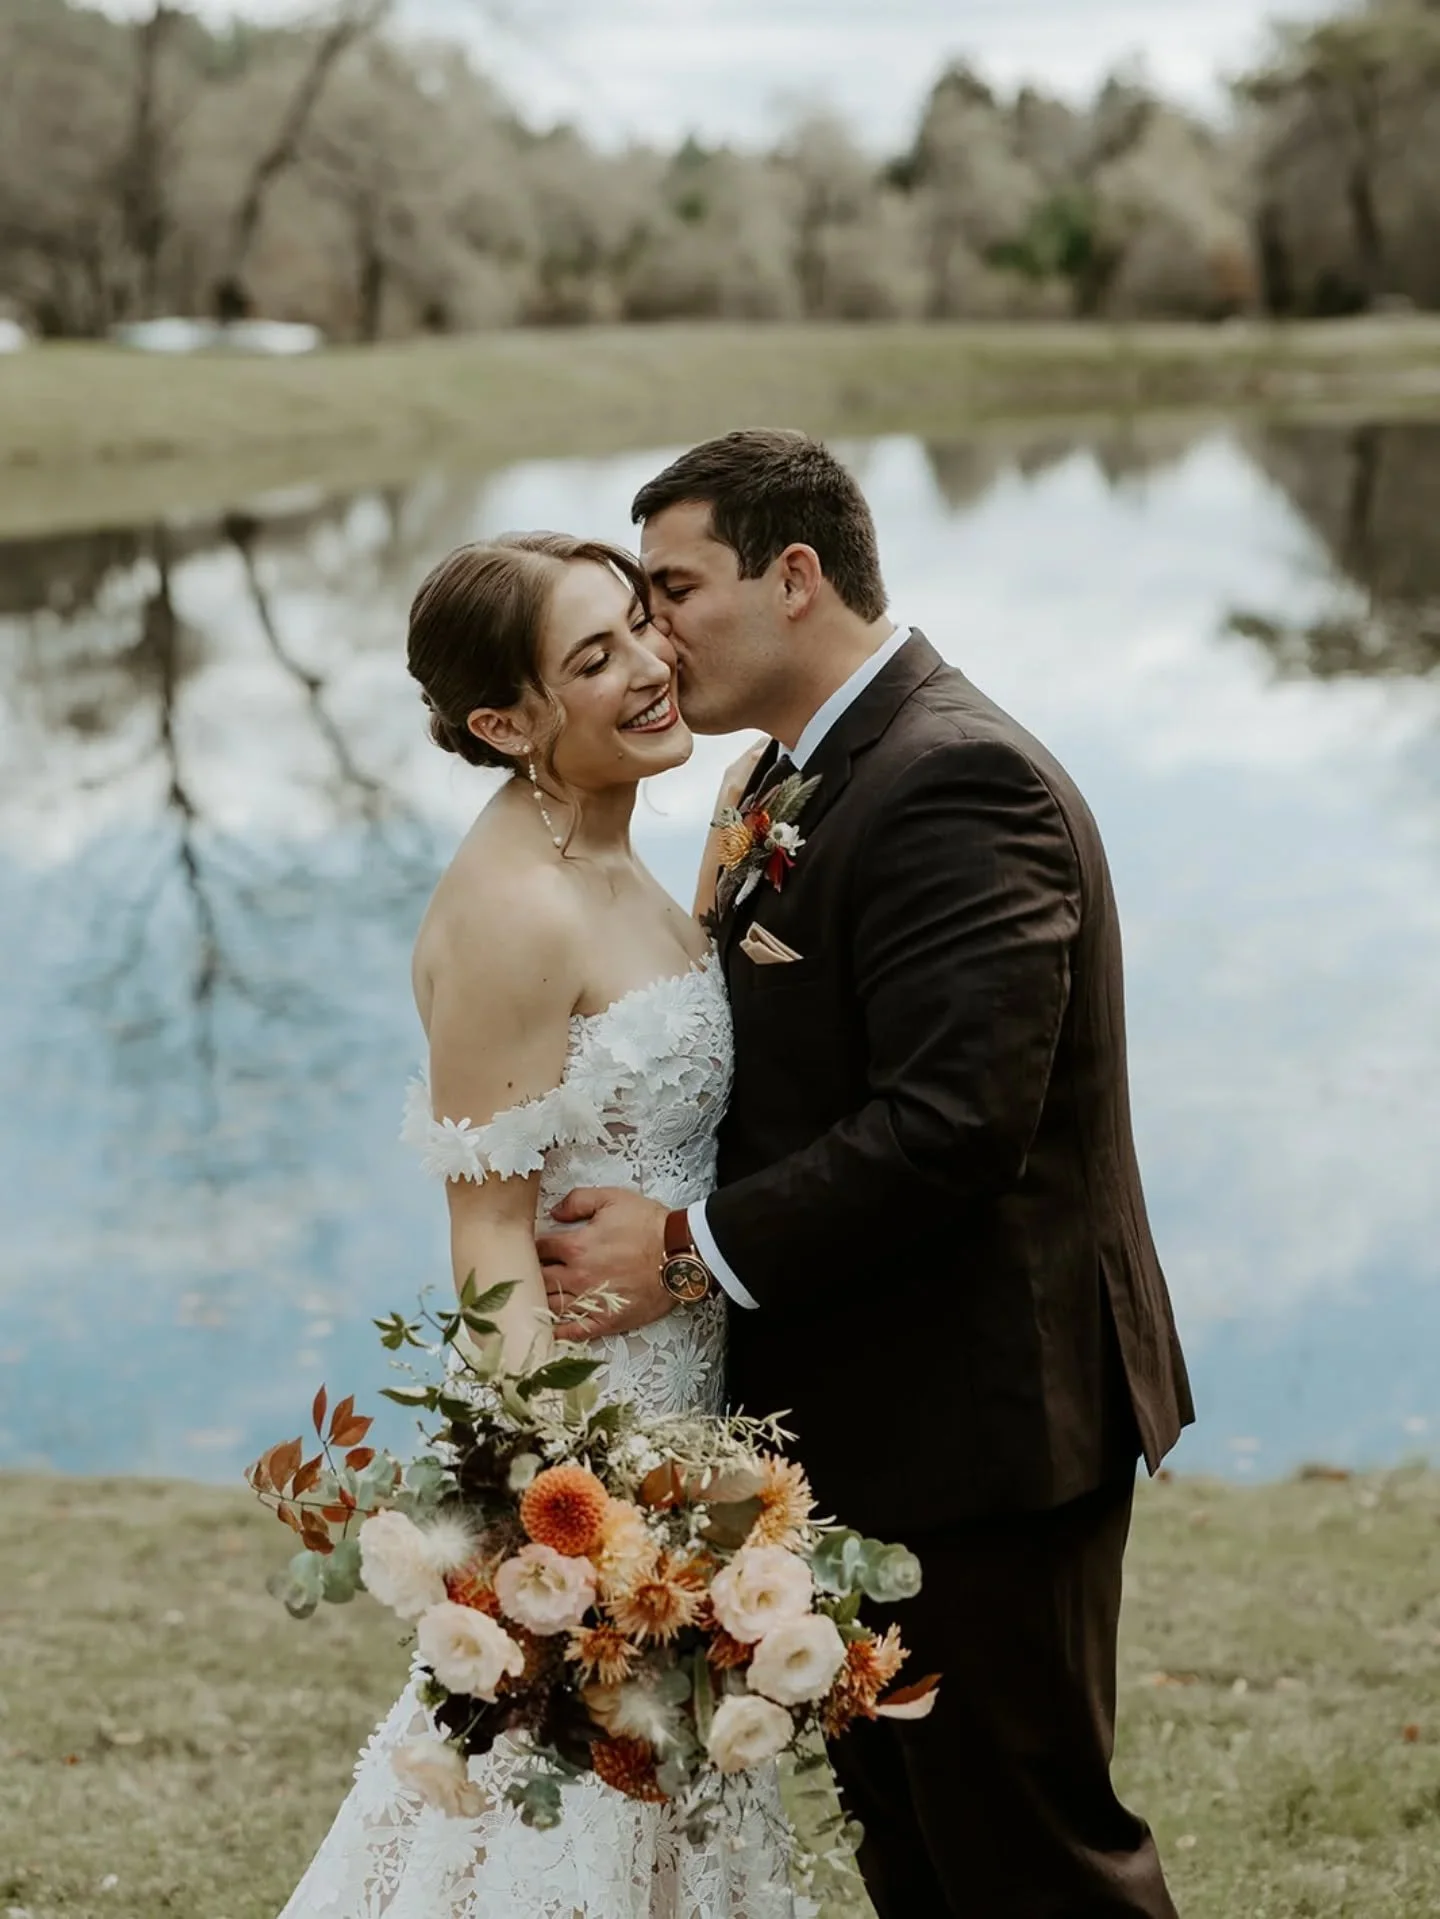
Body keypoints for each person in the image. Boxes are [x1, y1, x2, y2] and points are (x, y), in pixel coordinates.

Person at [538, 430, 1196, 1917]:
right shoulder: (803, 767)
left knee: (1034, 1857)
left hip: (984, 1428)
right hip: (874, 1418)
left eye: (673, 588)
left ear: (794, 575)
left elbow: (956, 1125)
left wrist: (687, 1247)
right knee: (919, 1849)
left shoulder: (958, 780)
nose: (652, 634)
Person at [276, 532, 796, 1918]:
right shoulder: (513, 908)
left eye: (640, 623)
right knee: (556, 1800)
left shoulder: (625, 848)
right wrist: (565, 1518)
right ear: (505, 720)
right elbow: (489, 1238)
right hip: (597, 1439)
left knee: (680, 1798)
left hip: (692, 1403)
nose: (649, 665)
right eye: (595, 656)